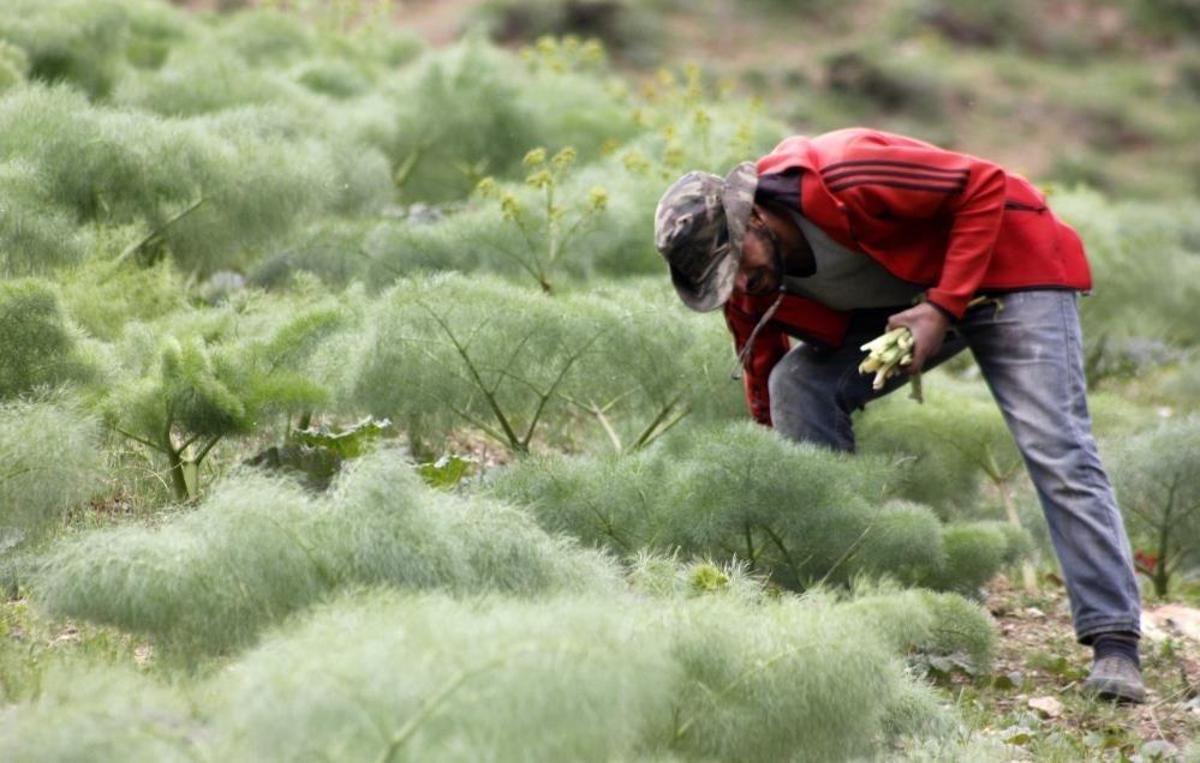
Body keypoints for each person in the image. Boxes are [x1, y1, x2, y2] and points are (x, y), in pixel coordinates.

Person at [654, 127, 1145, 702]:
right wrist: (781, 488)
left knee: (1054, 445)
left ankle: (1115, 640)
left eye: (738, 263)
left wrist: (941, 305)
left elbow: (982, 184)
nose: (740, 284)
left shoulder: (841, 173)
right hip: (911, 304)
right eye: (723, 282)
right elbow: (764, 377)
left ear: (755, 219)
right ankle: (844, 603)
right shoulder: (752, 289)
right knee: (799, 384)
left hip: (1008, 273)